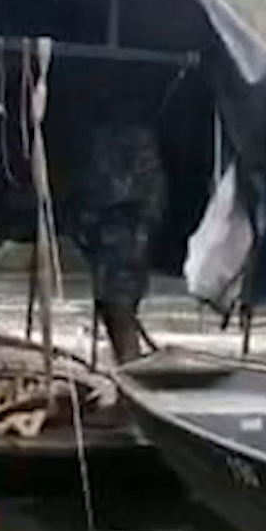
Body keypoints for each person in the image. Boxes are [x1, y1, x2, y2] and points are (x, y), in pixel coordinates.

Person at [73, 121, 165, 364]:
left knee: (118, 304)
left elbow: (101, 195)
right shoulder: (135, 143)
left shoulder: (121, 143)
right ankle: (128, 363)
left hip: (122, 242)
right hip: (122, 239)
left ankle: (129, 364)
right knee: (116, 304)